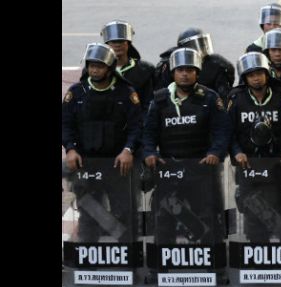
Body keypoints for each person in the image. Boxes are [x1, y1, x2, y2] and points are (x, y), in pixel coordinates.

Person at [142, 47, 232, 245]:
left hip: (201, 170)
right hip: (169, 170)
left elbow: (222, 130)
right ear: (173, 72)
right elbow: (148, 132)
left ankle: (211, 265)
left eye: (189, 70)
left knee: (207, 216)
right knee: (164, 218)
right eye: (180, 70)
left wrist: (216, 153)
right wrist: (149, 153)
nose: (185, 74)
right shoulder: (159, 100)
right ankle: (163, 268)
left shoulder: (210, 98)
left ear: (197, 72)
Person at [62, 42, 142, 243]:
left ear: (110, 68)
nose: (94, 70)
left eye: (99, 66)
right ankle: (88, 262)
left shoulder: (126, 92)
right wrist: (70, 150)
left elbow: (137, 126)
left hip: (118, 165)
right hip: (86, 164)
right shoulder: (76, 93)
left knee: (125, 211)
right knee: (89, 212)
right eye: (91, 65)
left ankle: (127, 259)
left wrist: (128, 150)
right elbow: (65, 125)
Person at [227, 52, 281, 242]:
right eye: (251, 74)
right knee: (254, 213)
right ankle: (257, 261)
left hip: (278, 165)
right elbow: (227, 132)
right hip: (248, 166)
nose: (256, 78)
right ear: (245, 78)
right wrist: (236, 152)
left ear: (266, 74)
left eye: (259, 73)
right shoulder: (236, 99)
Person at [154, 27, 235, 102]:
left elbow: (224, 94)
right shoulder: (169, 63)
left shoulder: (217, 64)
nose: (202, 47)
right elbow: (162, 92)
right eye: (196, 45)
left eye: (202, 43)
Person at [98, 19, 155, 110]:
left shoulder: (145, 69)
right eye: (113, 42)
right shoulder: (95, 70)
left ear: (128, 43)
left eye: (121, 41)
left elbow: (149, 102)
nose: (117, 45)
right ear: (107, 44)